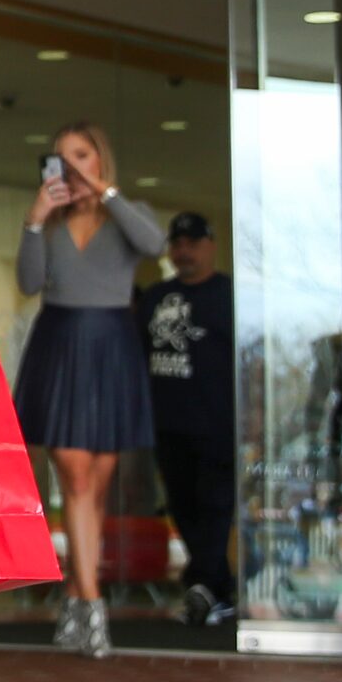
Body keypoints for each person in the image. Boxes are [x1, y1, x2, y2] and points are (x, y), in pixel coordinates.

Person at [17, 121, 165, 661]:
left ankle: (75, 595)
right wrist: (34, 220)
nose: (72, 168)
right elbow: (30, 283)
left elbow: (154, 244)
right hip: (61, 342)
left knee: (95, 486)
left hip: (112, 345)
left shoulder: (127, 216)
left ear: (99, 160)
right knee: (75, 473)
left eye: (81, 157)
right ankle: (94, 605)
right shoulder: (49, 225)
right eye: (62, 159)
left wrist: (104, 192)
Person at [139, 212, 237, 626]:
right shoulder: (156, 296)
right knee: (183, 507)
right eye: (177, 244)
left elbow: (250, 359)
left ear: (210, 245)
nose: (184, 251)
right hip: (168, 421)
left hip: (217, 422)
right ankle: (216, 589)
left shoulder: (230, 295)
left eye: (193, 243)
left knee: (215, 507)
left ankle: (202, 584)